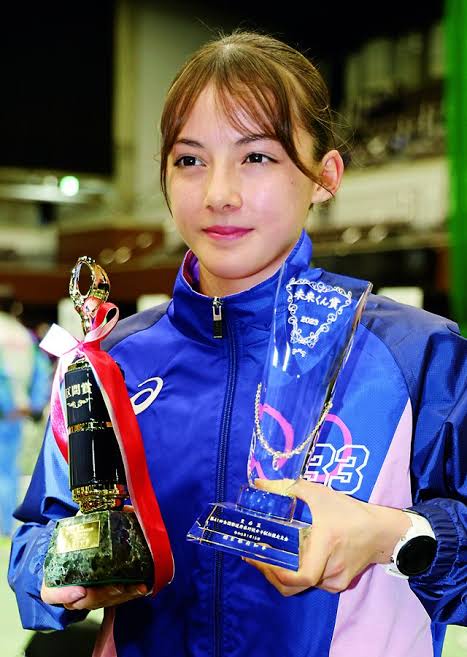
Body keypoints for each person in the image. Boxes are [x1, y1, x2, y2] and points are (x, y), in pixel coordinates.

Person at [8, 30, 466, 657]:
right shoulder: (112, 361)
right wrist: (65, 573)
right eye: (189, 160)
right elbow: (40, 532)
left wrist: (397, 535)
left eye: (257, 157)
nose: (219, 194)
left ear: (325, 176)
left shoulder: (414, 353)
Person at [0, 288, 51, 537]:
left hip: (5, 412)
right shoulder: (24, 335)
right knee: (9, 472)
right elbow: (41, 372)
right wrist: (32, 405)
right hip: (18, 415)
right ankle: (5, 528)